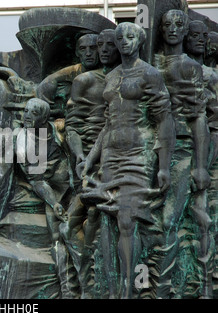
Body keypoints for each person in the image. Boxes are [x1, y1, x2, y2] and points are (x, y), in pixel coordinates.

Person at [82, 22, 175, 298]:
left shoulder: (150, 74)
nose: (124, 42)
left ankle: (131, 288)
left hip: (138, 153)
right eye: (120, 37)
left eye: (130, 37)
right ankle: (114, 289)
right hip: (111, 154)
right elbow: (107, 124)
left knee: (127, 220)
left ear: (139, 40)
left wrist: (164, 166)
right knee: (109, 221)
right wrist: (91, 158)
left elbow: (165, 120)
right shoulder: (110, 76)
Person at [153, 10, 212, 298]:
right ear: (160, 30)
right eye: (167, 25)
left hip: (183, 149)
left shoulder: (190, 67)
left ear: (185, 29)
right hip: (148, 151)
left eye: (179, 25)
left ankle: (182, 286)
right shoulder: (149, 65)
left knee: (175, 219)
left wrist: (201, 166)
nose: (173, 29)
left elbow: (199, 118)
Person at [59, 28, 121, 298]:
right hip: (89, 164)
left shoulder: (125, 78)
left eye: (105, 46)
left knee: (100, 220)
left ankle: (98, 284)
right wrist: (80, 157)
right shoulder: (84, 81)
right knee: (74, 224)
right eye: (97, 46)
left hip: (120, 160)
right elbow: (72, 126)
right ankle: (85, 283)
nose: (99, 52)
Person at [15, 97, 72, 297]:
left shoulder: (59, 129)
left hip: (76, 182)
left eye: (34, 113)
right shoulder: (22, 142)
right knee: (56, 234)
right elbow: (37, 180)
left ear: (45, 118)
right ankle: (67, 288)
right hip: (52, 189)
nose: (27, 116)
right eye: (26, 111)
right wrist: (54, 202)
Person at [36, 34, 100, 111]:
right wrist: (48, 108)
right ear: (77, 52)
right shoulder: (74, 70)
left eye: (93, 48)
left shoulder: (107, 72)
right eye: (83, 49)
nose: (88, 53)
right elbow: (46, 83)